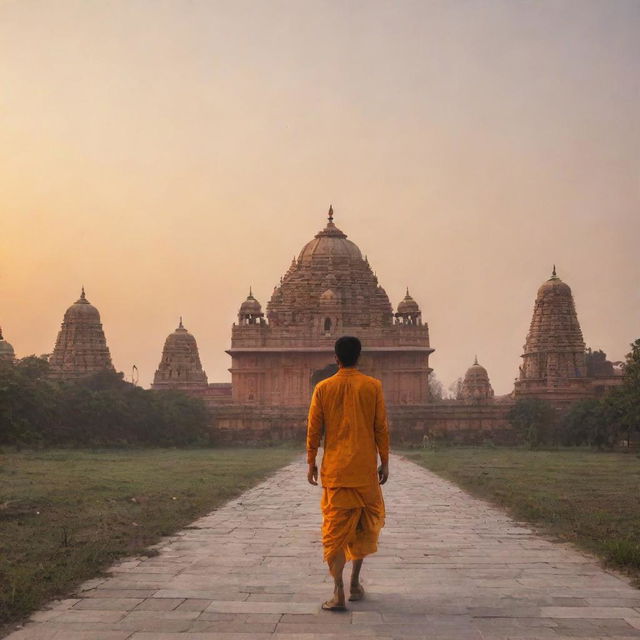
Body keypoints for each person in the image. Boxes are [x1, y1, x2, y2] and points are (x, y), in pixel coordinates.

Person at [306, 335, 390, 611]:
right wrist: (385, 460)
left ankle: (338, 591)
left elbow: (314, 430)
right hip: (364, 470)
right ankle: (355, 583)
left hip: (336, 471)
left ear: (336, 358)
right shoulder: (372, 386)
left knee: (335, 531)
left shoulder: (323, 388)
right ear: (360, 357)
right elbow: (380, 427)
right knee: (361, 526)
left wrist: (311, 462)